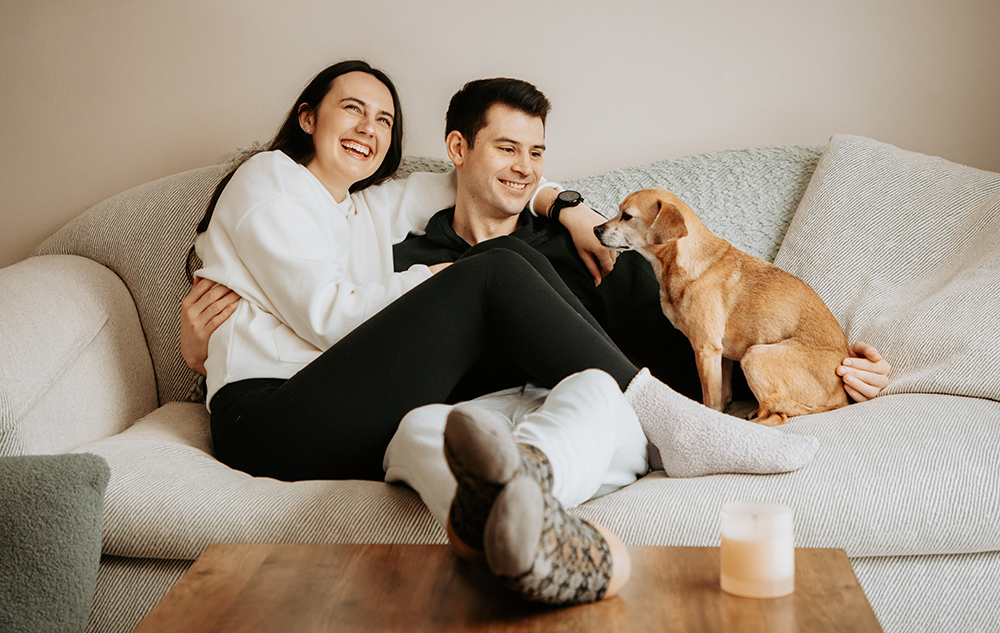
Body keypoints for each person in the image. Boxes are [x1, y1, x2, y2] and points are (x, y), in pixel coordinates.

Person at [183, 66, 887, 605]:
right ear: (306, 117)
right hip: (274, 412)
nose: (371, 126)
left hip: (380, 403)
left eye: (385, 118)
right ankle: (661, 437)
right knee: (488, 286)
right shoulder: (274, 179)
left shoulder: (360, 206)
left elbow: (505, 190)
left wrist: (569, 205)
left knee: (513, 284)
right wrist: (199, 343)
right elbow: (325, 312)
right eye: (352, 109)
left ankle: (534, 515)